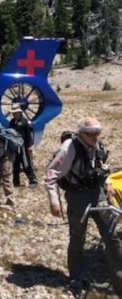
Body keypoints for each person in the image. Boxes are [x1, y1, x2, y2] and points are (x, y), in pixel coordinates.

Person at [45, 117, 122, 293]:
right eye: (91, 133)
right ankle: (76, 279)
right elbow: (51, 174)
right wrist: (54, 201)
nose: (95, 136)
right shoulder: (69, 148)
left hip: (98, 194)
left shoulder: (97, 145)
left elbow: (98, 166)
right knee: (78, 238)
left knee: (111, 237)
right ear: (81, 133)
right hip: (77, 197)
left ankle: (120, 281)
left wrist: (106, 182)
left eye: (97, 132)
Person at [9, 103, 38, 187]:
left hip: (23, 147)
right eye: (13, 113)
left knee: (26, 163)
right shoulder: (12, 122)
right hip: (15, 146)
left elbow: (29, 134)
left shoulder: (25, 121)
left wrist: (31, 145)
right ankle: (16, 182)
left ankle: (33, 180)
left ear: (19, 112)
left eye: (15, 112)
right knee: (15, 164)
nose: (14, 114)